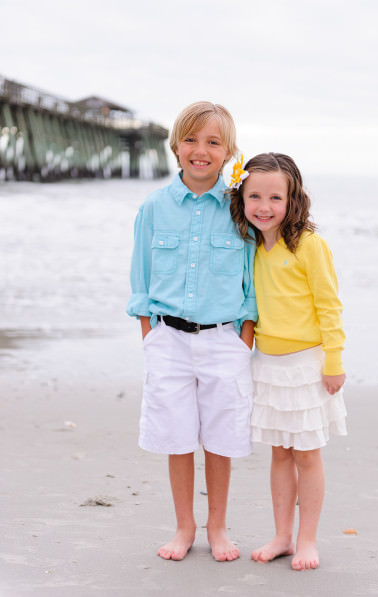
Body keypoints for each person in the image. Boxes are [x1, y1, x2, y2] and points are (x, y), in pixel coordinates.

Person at [127, 101, 256, 562]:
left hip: (224, 341)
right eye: (191, 140)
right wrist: (150, 334)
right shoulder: (154, 208)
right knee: (176, 437)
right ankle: (184, 527)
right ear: (176, 147)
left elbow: (251, 281)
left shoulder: (240, 210)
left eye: (213, 142)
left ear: (228, 153)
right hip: (168, 339)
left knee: (220, 439)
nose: (201, 150)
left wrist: (244, 339)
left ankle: (217, 528)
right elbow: (140, 280)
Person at [229, 152, 347, 571]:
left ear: (292, 199)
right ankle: (281, 534)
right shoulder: (251, 248)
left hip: (306, 366)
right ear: (241, 198)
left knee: (307, 454)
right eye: (254, 196)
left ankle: (307, 539)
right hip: (268, 365)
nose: (264, 206)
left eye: (275, 197)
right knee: (279, 452)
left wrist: (334, 360)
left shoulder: (310, 246)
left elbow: (329, 307)